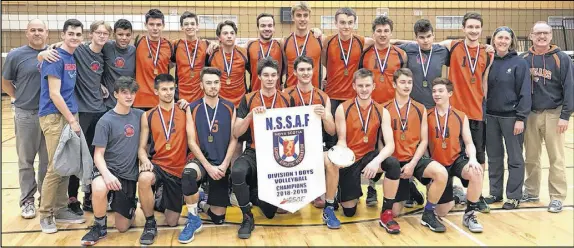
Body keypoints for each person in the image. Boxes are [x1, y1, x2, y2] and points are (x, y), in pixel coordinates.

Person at [328, 68, 401, 234]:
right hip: (350, 157)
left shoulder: (383, 111)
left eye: (367, 85)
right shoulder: (343, 108)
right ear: (354, 86)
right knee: (349, 212)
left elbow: (390, 145)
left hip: (369, 156)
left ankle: (387, 213)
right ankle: (343, 191)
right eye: (360, 85)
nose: (364, 89)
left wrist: (376, 162)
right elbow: (341, 139)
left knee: (393, 164)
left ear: (374, 86)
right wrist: (342, 157)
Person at [231, 58, 292, 239]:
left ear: (278, 78)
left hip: (278, 155)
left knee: (270, 211)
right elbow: (236, 132)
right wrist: (250, 115)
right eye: (266, 75)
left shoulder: (287, 99)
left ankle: (252, 193)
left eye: (274, 75)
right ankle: (247, 217)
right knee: (237, 171)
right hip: (254, 150)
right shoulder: (249, 99)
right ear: (259, 77)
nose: (270, 79)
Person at [439, 12, 493, 212]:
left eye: (477, 27)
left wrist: (483, 106)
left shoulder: (488, 53)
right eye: (470, 27)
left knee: (479, 156)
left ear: (481, 29)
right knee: (451, 155)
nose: (473, 30)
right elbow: (423, 42)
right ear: (463, 28)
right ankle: (449, 192)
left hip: (476, 113)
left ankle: (476, 196)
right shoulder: (452, 46)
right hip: (454, 114)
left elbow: (484, 82)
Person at [80, 76, 143, 246]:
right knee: (99, 186)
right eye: (124, 93)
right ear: (115, 94)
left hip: (128, 174)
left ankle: (130, 207)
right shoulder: (105, 121)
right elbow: (98, 155)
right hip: (108, 171)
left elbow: (163, 113)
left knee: (123, 227)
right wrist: (107, 176)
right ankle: (99, 226)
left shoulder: (140, 116)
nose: (129, 96)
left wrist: (181, 104)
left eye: (132, 93)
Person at [384, 68, 448, 233]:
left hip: (414, 159)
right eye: (403, 82)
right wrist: (391, 165)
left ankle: (428, 213)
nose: (406, 86)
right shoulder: (385, 109)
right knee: (396, 212)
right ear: (394, 84)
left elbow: (424, 140)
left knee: (441, 173)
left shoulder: (420, 109)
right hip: (395, 162)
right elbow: (381, 142)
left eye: (409, 82)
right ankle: (410, 188)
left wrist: (412, 164)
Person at [178, 67, 238, 243]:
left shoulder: (230, 106)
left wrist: (225, 164)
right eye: (209, 83)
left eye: (216, 83)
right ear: (201, 85)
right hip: (200, 160)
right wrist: (208, 167)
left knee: (218, 218)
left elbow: (234, 139)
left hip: (221, 163)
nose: (213, 86)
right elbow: (191, 141)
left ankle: (203, 202)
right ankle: (193, 218)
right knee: (188, 174)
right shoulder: (193, 107)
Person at [37, 19, 86, 234]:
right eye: (71, 34)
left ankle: (61, 208)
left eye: (78, 34)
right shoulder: (54, 57)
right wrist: (72, 120)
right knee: (56, 167)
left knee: (66, 165)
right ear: (63, 35)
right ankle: (45, 214)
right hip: (55, 116)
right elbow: (54, 94)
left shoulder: (70, 55)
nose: (74, 37)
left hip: (68, 114)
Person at [521, 21, 574, 213]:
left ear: (551, 36)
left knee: (556, 157)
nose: (542, 36)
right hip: (531, 114)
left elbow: (570, 88)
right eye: (538, 33)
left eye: (545, 33)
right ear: (531, 36)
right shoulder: (524, 58)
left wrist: (565, 115)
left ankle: (557, 197)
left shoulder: (561, 58)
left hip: (554, 113)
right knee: (531, 157)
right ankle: (532, 191)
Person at [1, 19, 49, 219]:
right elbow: (5, 83)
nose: (37, 33)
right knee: (26, 161)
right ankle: (27, 201)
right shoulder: (15, 55)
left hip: (50, 116)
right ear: (26, 33)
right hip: (26, 115)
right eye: (33, 30)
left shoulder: (55, 53)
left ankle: (45, 200)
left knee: (48, 162)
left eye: (40, 30)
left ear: (47, 33)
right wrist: (20, 99)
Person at [284, 55, 339, 228]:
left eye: (308, 69)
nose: (305, 73)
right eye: (301, 69)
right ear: (294, 72)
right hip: (291, 149)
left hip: (316, 147)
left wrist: (324, 117)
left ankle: (329, 206)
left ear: (313, 71)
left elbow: (331, 130)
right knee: (280, 210)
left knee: (332, 162)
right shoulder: (286, 94)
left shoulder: (323, 97)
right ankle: (293, 194)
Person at [136, 74, 192, 245]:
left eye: (171, 89)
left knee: (172, 221)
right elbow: (141, 147)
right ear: (156, 91)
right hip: (159, 165)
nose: (168, 93)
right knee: (144, 178)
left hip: (178, 168)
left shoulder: (184, 110)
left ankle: (159, 200)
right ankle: (150, 223)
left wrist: (188, 108)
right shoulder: (148, 115)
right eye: (164, 89)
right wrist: (144, 159)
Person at [358, 15, 407, 207]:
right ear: (373, 33)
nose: (382, 34)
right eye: (379, 31)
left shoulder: (400, 54)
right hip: (369, 108)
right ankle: (371, 188)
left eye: (386, 31)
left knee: (392, 148)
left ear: (391, 33)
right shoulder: (366, 53)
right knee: (372, 149)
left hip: (391, 108)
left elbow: (403, 80)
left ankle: (404, 188)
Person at [428, 78, 485, 233]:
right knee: (441, 211)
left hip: (456, 160)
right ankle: (456, 194)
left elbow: (469, 143)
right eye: (434, 91)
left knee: (476, 171)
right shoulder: (426, 116)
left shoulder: (460, 116)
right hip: (438, 165)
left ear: (450, 93)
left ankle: (470, 214)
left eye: (440, 91)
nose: (436, 94)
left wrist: (473, 159)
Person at [484, 26, 531, 209]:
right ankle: (495, 193)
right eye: (499, 37)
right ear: (493, 39)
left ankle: (513, 195)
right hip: (490, 117)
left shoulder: (520, 63)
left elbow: (525, 92)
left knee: (515, 158)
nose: (503, 41)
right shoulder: (488, 60)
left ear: (511, 41)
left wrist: (520, 118)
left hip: (512, 118)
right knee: (494, 158)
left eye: (506, 38)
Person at [134, 9, 173, 109]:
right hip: (140, 100)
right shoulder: (138, 42)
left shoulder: (169, 45)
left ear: (163, 26)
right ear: (145, 25)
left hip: (161, 100)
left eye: (158, 25)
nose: (155, 28)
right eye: (151, 24)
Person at [207, 20, 249, 106]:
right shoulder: (212, 53)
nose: (229, 36)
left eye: (232, 33)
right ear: (219, 37)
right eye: (225, 33)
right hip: (219, 103)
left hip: (241, 103)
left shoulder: (244, 53)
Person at [284, 1, 324, 88]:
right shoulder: (285, 41)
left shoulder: (320, 39)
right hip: (291, 93)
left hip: (313, 92)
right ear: (292, 17)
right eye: (298, 15)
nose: (302, 19)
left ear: (309, 17)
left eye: (305, 15)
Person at [172, 11, 210, 103]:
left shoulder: (206, 45)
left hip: (201, 94)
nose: (189, 27)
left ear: (197, 26)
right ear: (182, 27)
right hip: (181, 95)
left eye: (192, 24)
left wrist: (215, 44)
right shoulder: (175, 45)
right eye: (186, 24)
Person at [246, 13, 284, 91]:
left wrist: (314, 31)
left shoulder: (281, 45)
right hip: (255, 94)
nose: (267, 28)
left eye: (270, 25)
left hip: (276, 95)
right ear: (258, 28)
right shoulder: (249, 46)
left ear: (274, 28)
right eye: (263, 26)